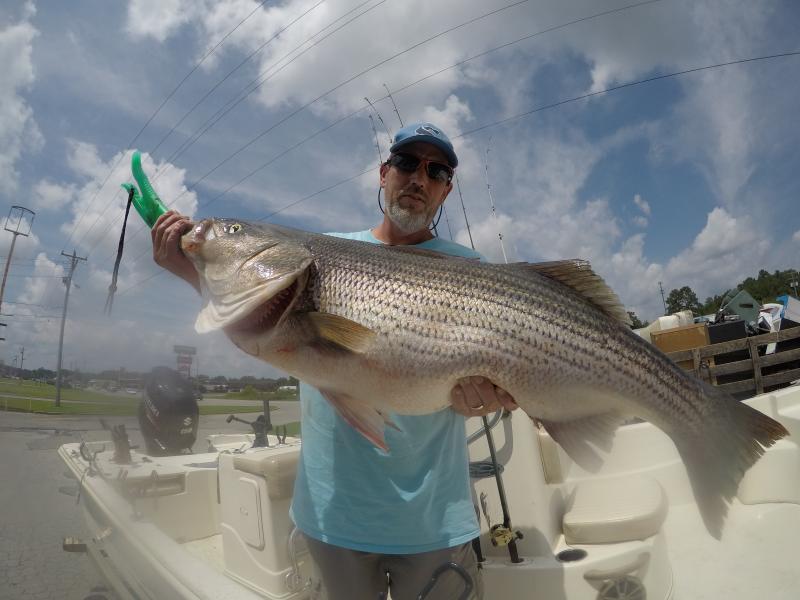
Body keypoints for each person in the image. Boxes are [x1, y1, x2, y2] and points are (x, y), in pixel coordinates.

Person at [151, 122, 518, 600]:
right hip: (331, 519)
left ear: (446, 189)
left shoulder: (471, 269)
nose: (419, 179)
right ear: (383, 173)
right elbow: (268, 329)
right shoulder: (322, 251)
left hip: (435, 521)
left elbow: (497, 385)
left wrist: (487, 400)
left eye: (437, 171)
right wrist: (197, 272)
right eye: (407, 164)